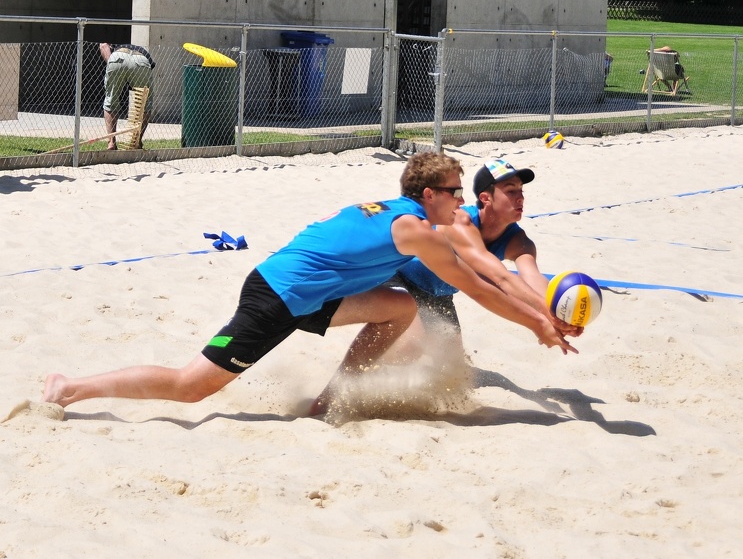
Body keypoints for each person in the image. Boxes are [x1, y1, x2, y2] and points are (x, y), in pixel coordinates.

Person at [42, 153, 576, 417]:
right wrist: (538, 322)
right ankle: (71, 388)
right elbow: (483, 286)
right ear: (431, 193)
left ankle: (329, 400)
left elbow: (491, 277)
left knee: (398, 308)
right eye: (455, 192)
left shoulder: (403, 213)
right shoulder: (415, 230)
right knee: (192, 387)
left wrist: (539, 317)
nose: (460, 201)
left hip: (312, 293)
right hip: (275, 296)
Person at [389, 158, 581, 360]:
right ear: (486, 198)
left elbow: (532, 277)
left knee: (452, 365)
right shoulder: (459, 220)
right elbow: (501, 278)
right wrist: (545, 317)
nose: (520, 198)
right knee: (410, 345)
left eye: (521, 190)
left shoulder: (519, 241)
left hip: (439, 294)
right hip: (401, 278)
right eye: (510, 191)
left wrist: (558, 314)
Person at [99, 42, 156, 150]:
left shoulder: (116, 47)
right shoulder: (144, 53)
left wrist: (110, 62)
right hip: (141, 60)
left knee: (111, 100)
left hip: (117, 57)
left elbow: (103, 45)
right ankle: (137, 142)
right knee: (145, 103)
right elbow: (149, 68)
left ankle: (111, 142)